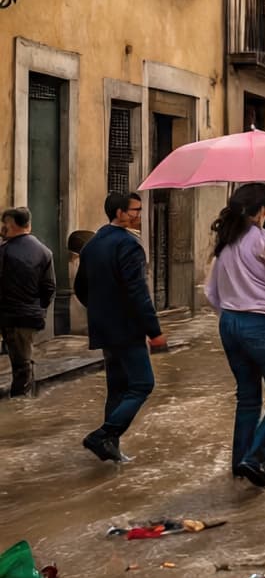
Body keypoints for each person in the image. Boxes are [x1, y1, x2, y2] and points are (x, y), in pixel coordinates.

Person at [204, 183, 265, 487]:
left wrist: (232, 317)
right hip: (263, 324)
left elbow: (211, 292)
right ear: (259, 210)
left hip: (230, 324)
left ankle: (239, 464)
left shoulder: (225, 243)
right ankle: (256, 457)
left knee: (247, 398)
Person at [73, 191, 165, 462]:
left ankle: (110, 448)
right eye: (135, 210)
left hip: (104, 327)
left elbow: (81, 287)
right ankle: (103, 435)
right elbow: (138, 292)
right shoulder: (129, 245)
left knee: (117, 387)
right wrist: (154, 330)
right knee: (142, 384)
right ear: (120, 213)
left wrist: (101, 310)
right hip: (126, 328)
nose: (139, 215)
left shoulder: (92, 244)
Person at [0, 207, 56, 397]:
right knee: (23, 359)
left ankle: (21, 405)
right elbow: (49, 287)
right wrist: (39, 308)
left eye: (4, 224)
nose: (2, 228)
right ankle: (27, 399)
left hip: (11, 315)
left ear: (12, 224)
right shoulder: (44, 251)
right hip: (30, 315)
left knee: (21, 365)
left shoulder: (5, 251)